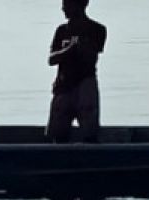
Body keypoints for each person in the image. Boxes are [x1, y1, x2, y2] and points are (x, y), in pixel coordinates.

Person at [46, 0, 107, 143]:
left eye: (67, 4)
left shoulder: (97, 29)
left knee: (90, 134)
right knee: (57, 134)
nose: (63, 8)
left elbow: (91, 58)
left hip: (85, 85)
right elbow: (51, 59)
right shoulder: (62, 30)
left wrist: (80, 48)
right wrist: (69, 49)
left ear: (80, 5)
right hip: (63, 85)